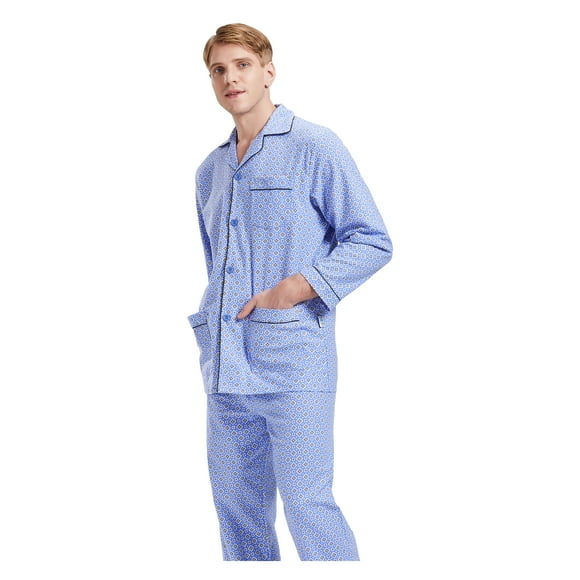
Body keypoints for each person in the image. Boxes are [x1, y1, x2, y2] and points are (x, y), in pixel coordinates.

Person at [188, 23, 393, 561]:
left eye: (242, 65)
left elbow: (372, 239)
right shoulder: (210, 171)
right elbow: (217, 265)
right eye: (218, 69)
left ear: (268, 72)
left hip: (294, 361)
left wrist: (299, 286)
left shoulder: (314, 146)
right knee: (237, 511)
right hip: (225, 366)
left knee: (308, 505)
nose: (231, 78)